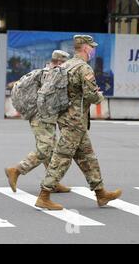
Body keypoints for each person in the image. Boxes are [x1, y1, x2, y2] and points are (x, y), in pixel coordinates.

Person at [35, 35, 122, 210]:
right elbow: (91, 96)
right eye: (92, 47)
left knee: (87, 157)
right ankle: (44, 195)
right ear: (85, 48)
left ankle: (100, 193)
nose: (93, 50)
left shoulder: (65, 65)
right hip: (74, 121)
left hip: (67, 119)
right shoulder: (83, 68)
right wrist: (99, 95)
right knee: (62, 157)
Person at [4, 50, 71, 193]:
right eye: (66, 63)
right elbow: (46, 97)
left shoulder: (44, 71)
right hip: (42, 117)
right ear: (59, 62)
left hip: (44, 116)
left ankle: (52, 182)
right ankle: (16, 170)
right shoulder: (52, 74)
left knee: (51, 148)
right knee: (45, 149)